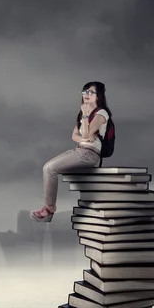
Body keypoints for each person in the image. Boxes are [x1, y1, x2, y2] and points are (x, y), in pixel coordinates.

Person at [31, 81, 112, 223]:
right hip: (79, 150)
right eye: (85, 91)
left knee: (50, 168)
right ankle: (50, 209)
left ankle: (50, 208)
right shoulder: (82, 114)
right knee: (48, 167)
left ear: (98, 95)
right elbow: (74, 136)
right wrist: (85, 134)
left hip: (89, 154)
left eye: (91, 92)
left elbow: (85, 134)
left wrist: (86, 117)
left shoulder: (101, 113)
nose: (87, 95)